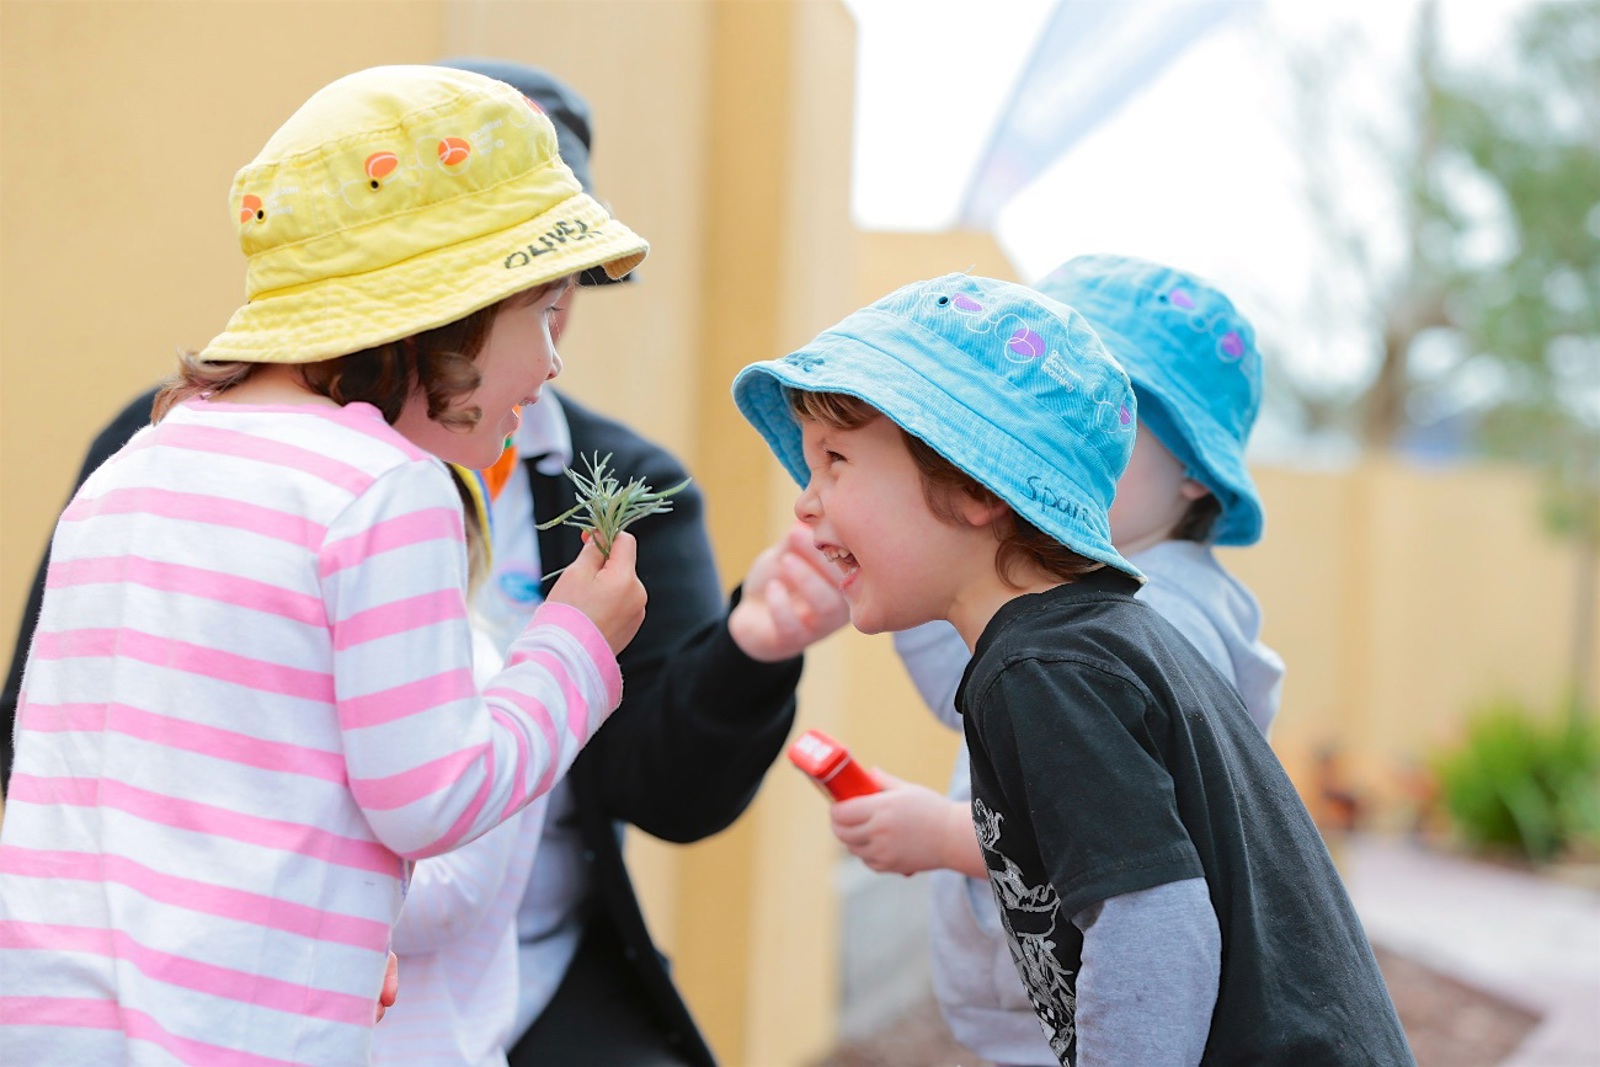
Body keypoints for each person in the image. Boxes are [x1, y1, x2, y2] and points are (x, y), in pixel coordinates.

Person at [0, 64, 652, 1066]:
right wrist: (573, 645)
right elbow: (433, 797)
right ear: (455, 307)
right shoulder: (386, 491)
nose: (554, 361)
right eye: (541, 309)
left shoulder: (134, 467)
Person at [731, 273, 1413, 1066]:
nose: (805, 504)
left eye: (835, 460)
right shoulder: (1073, 641)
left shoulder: (1049, 669)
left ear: (972, 484)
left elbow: (1153, 919)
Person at [433, 60, 848, 1067]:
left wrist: (750, 650)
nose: (548, 313)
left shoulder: (616, 481)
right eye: (505, 262)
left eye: (560, 271)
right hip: (288, 962)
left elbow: (666, 789)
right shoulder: (209, 452)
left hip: (541, 976)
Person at [845, 255, 1287, 1065]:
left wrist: (945, 835)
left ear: (1194, 471)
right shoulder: (1074, 612)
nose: (1056, 434)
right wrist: (906, 579)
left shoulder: (1157, 618)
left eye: (1106, 410)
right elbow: (974, 699)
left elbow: (1131, 850)